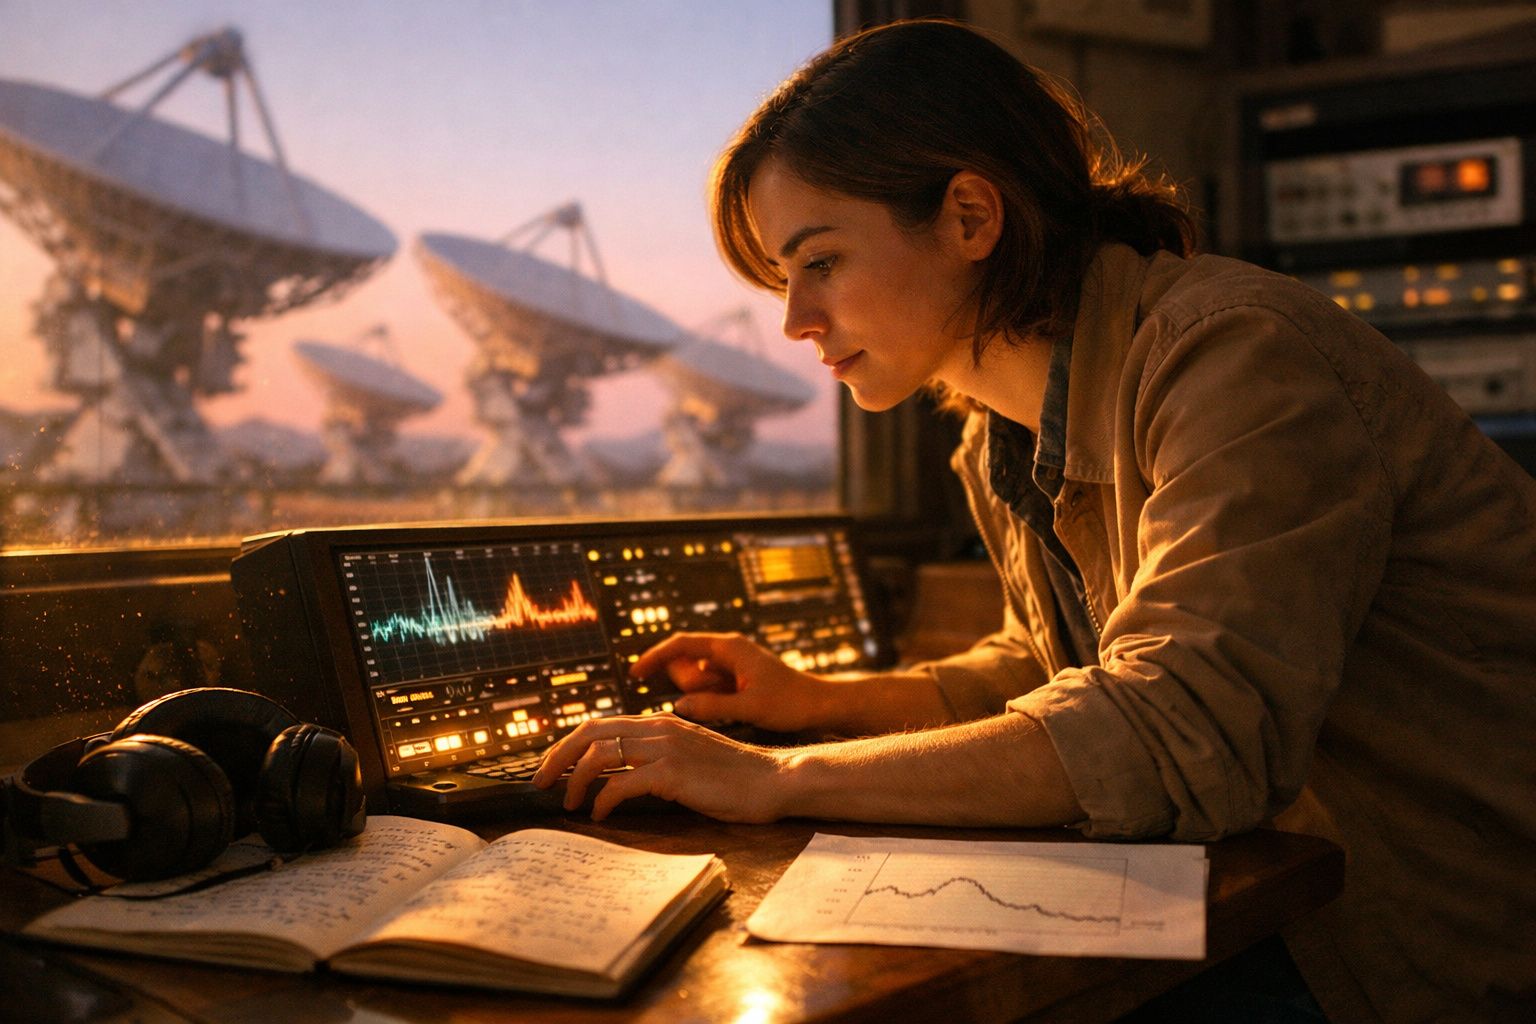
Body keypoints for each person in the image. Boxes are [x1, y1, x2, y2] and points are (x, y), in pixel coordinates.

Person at [533, 18, 1536, 1024]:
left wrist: (777, 778)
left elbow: (1184, 726)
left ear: (971, 217)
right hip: (1281, 904)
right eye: (782, 278)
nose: (794, 319)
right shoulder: (999, 434)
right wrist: (821, 700)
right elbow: (1053, 665)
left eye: (822, 260)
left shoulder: (1234, 357)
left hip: (1405, 948)